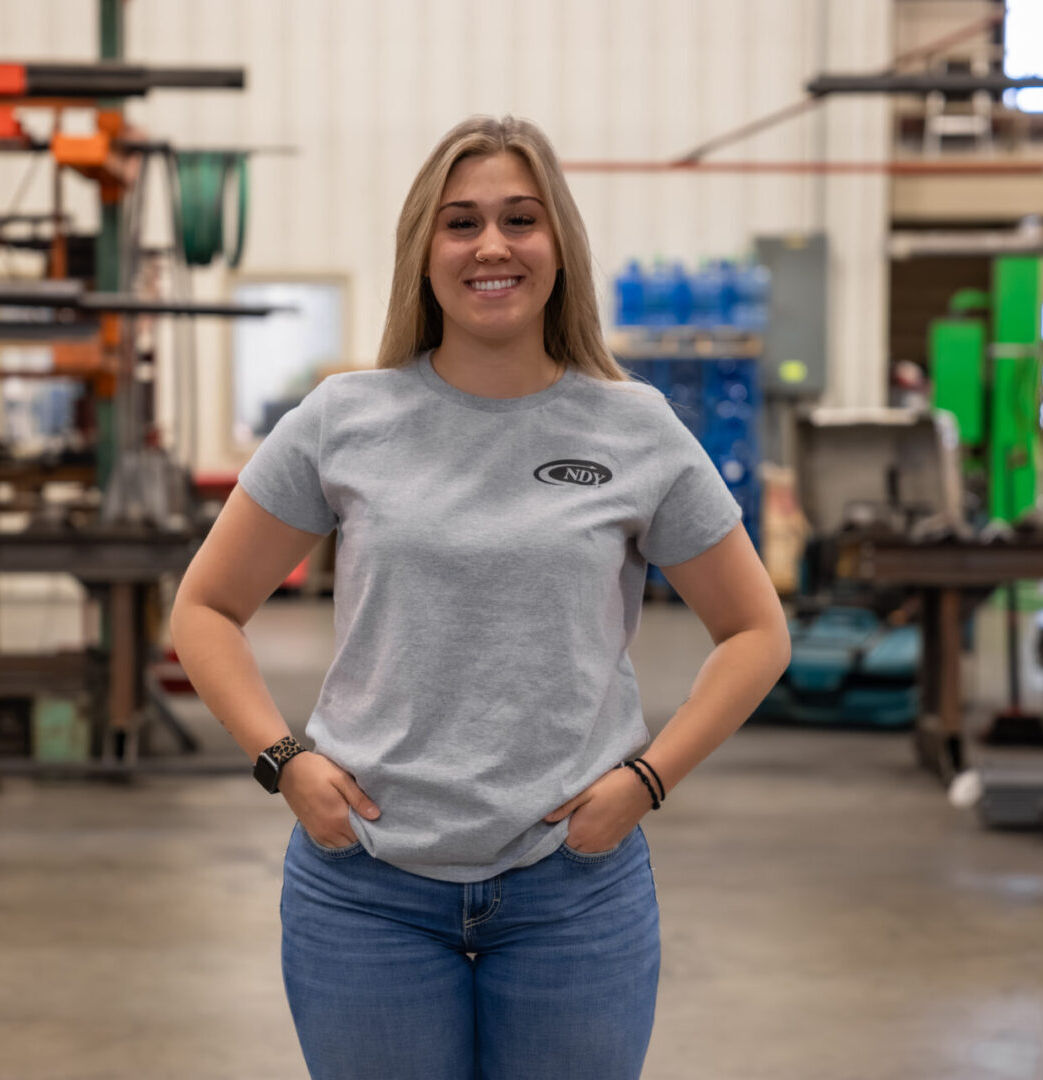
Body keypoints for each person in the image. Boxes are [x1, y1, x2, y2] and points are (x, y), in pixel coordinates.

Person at [169, 114, 790, 1080]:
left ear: (559, 246)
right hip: (364, 889)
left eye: (519, 219)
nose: (491, 245)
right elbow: (204, 609)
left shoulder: (635, 429)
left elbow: (755, 631)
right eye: (461, 223)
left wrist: (645, 782)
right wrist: (284, 763)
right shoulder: (345, 420)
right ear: (423, 252)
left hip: (573, 890)